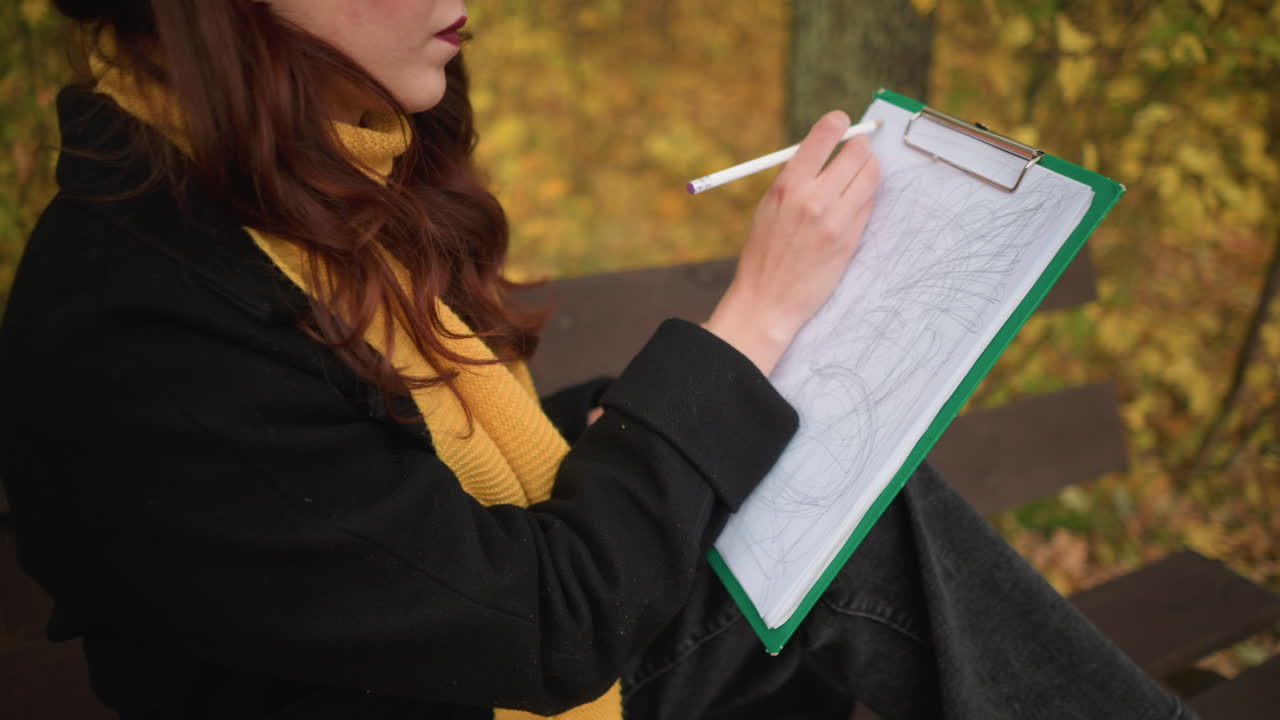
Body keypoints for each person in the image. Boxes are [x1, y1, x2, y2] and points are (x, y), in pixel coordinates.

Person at [0, 2, 1193, 719]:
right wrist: (751, 321)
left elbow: (394, 519)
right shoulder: (139, 330)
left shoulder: (285, 192)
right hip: (501, 680)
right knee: (809, 508)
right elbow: (542, 630)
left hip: (491, 665)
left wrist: (665, 413)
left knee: (818, 492)